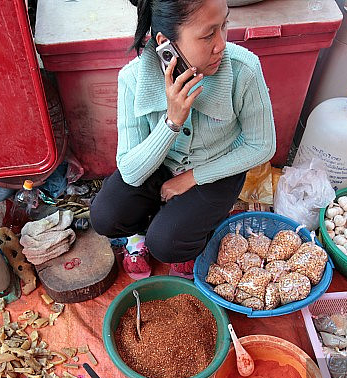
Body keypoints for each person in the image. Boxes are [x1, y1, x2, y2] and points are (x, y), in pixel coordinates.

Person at [90, 0, 276, 279]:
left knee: (168, 244)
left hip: (218, 168)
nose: (221, 44)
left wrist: (193, 177)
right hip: (159, 165)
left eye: (224, 25)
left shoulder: (243, 69)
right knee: (105, 215)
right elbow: (129, 170)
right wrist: (172, 121)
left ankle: (186, 237)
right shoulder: (132, 79)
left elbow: (262, 146)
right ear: (165, 43)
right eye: (208, 34)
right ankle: (141, 232)